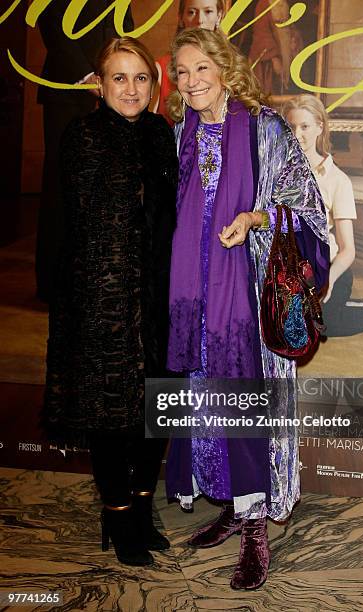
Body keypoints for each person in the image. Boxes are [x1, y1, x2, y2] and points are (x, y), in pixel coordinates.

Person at [164, 28, 329, 590]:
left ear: (223, 68)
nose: (189, 83)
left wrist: (255, 219)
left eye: (199, 70)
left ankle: (256, 524)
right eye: (180, 73)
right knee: (205, 398)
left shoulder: (264, 128)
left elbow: (307, 208)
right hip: (194, 295)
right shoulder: (180, 131)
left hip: (246, 292)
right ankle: (233, 507)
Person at [42, 37, 178, 566]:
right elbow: (87, 226)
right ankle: (117, 514)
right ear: (99, 85)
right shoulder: (84, 134)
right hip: (101, 296)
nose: (131, 88)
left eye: (140, 77)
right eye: (118, 78)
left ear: (154, 84)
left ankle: (143, 509)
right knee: (110, 413)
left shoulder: (161, 135)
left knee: (156, 411)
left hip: (157, 296)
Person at [36, 0, 134, 302]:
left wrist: (116, 78)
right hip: (67, 94)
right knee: (63, 189)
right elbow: (51, 23)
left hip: (109, 95)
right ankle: (55, 286)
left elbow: (124, 29)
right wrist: (84, 78)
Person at [283, 94, 363, 336]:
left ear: (319, 127)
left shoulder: (338, 180)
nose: (297, 133)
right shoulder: (279, 173)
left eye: (305, 126)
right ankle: (359, 302)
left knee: (323, 325)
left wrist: (328, 279)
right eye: (291, 126)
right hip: (291, 270)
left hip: (332, 268)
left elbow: (348, 250)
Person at [155, 0, 224, 123]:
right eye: (192, 12)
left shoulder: (232, 63)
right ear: (181, 17)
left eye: (208, 11)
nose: (199, 20)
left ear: (219, 15)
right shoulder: (160, 68)